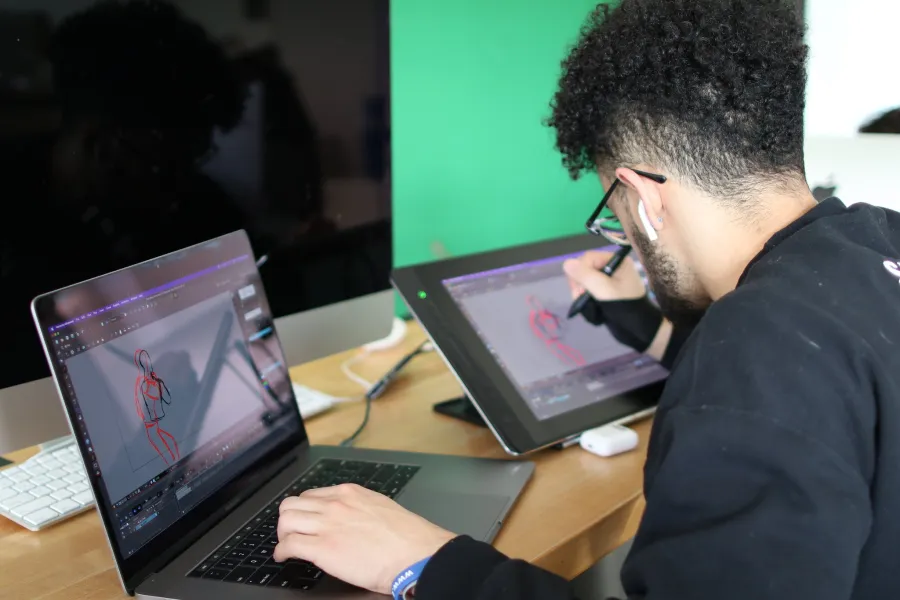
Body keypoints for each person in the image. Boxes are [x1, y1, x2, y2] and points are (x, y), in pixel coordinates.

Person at [273, 1, 900, 598]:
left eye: (614, 210)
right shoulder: (874, 242)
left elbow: (771, 384)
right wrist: (650, 329)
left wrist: (424, 563)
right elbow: (821, 385)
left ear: (643, 197)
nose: (624, 233)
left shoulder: (754, 353)